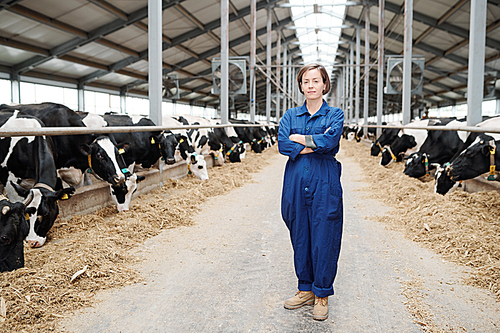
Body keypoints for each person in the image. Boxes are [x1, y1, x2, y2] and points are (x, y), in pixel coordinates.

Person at [278, 63, 344, 321]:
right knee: (300, 233)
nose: (311, 86)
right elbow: (283, 144)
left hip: (324, 180)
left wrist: (300, 139)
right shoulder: (290, 115)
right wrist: (313, 143)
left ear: (324, 84)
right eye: (306, 81)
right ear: (301, 86)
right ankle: (304, 287)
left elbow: (330, 141)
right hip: (295, 180)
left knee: (324, 234)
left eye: (316, 81)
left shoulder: (335, 114)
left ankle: (322, 294)